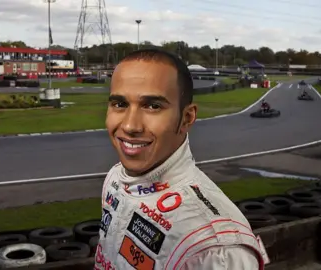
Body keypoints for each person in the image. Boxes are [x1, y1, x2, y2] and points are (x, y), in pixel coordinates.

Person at [95, 49, 269, 270]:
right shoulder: (115, 177)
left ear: (187, 117)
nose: (130, 126)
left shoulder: (218, 249)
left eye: (153, 106)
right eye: (119, 104)